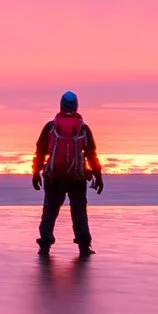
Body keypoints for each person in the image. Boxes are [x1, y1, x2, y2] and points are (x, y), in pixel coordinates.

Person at [31, 91, 104, 255]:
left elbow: (40, 151)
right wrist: (98, 177)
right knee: (79, 211)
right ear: (76, 105)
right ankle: (84, 246)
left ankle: (45, 244)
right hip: (76, 178)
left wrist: (36, 173)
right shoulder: (83, 128)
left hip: (54, 177)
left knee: (50, 210)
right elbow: (91, 154)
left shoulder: (50, 127)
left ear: (61, 106)